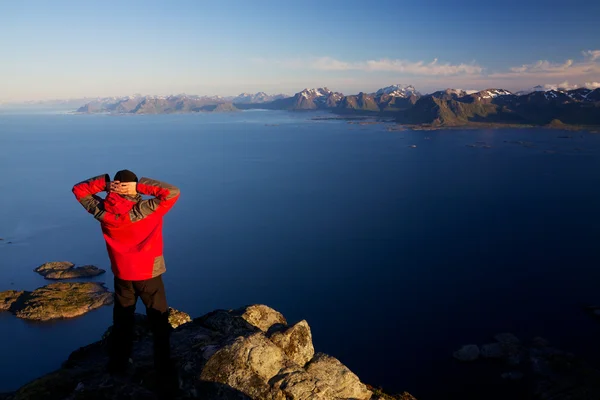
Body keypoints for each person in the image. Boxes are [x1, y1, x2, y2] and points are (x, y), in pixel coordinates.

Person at [72, 170, 180, 387]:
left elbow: (79, 190)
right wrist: (140, 187)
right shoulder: (147, 209)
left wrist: (104, 185)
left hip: (122, 274)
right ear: (131, 187)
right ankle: (164, 371)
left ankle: (119, 364)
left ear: (116, 186)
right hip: (149, 274)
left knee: (123, 320)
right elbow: (171, 192)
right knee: (158, 321)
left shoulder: (102, 210)